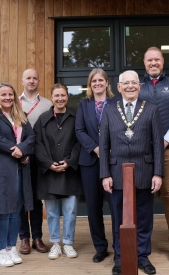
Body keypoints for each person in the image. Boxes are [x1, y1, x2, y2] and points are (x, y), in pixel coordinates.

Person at [100, 70, 164, 275]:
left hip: (145, 171)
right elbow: (103, 144)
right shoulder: (109, 110)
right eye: (125, 83)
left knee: (144, 217)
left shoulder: (151, 109)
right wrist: (105, 174)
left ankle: (142, 256)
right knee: (119, 217)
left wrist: (158, 173)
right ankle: (120, 257)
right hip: (116, 172)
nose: (130, 86)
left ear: (139, 86)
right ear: (118, 87)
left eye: (133, 83)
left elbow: (157, 145)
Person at [139, 46, 169, 262]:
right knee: (143, 196)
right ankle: (142, 244)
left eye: (157, 59)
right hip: (142, 151)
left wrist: (165, 140)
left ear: (163, 62)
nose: (153, 63)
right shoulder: (137, 86)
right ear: (144, 63)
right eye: (149, 60)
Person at [33, 83, 83, 260]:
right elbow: (36, 143)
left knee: (70, 211)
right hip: (49, 172)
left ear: (67, 97)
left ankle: (68, 243)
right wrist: (48, 163)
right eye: (57, 96)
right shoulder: (42, 119)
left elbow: (80, 142)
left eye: (63, 95)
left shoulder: (77, 117)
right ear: (52, 97)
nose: (60, 99)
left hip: (70, 172)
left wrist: (69, 162)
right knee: (52, 212)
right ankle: (55, 243)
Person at [75, 68, 115, 263]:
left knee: (116, 205)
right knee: (93, 207)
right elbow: (79, 130)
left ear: (107, 83)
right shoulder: (83, 104)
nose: (97, 83)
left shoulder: (116, 103)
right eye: (94, 81)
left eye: (101, 80)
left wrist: (109, 149)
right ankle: (100, 247)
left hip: (114, 161)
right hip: (90, 161)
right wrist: (96, 148)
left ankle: (119, 246)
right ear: (90, 85)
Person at [0, 82, 35, 267]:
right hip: (4, 170)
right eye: (3, 94)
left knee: (16, 210)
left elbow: (31, 137)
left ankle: (11, 247)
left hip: (21, 170)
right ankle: (1, 249)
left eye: (10, 94)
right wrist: (15, 150)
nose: (7, 98)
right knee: (3, 211)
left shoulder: (21, 115)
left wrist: (21, 149)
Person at [19, 68, 52, 255]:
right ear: (22, 81)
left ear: (38, 81)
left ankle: (37, 237)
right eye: (28, 78)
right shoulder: (13, 103)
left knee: (37, 198)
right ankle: (24, 237)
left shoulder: (47, 104)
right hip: (20, 157)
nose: (31, 81)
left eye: (34, 78)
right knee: (22, 199)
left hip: (40, 156)